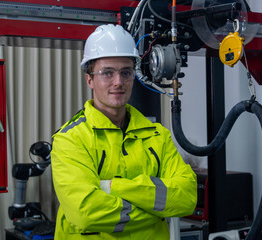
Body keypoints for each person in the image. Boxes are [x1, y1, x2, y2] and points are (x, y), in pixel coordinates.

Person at [51, 24, 197, 240]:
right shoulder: (70, 140)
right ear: (89, 79)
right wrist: (154, 211)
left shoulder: (158, 136)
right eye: (107, 73)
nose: (118, 82)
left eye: (126, 73)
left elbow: (187, 198)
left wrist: (113, 186)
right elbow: (85, 213)